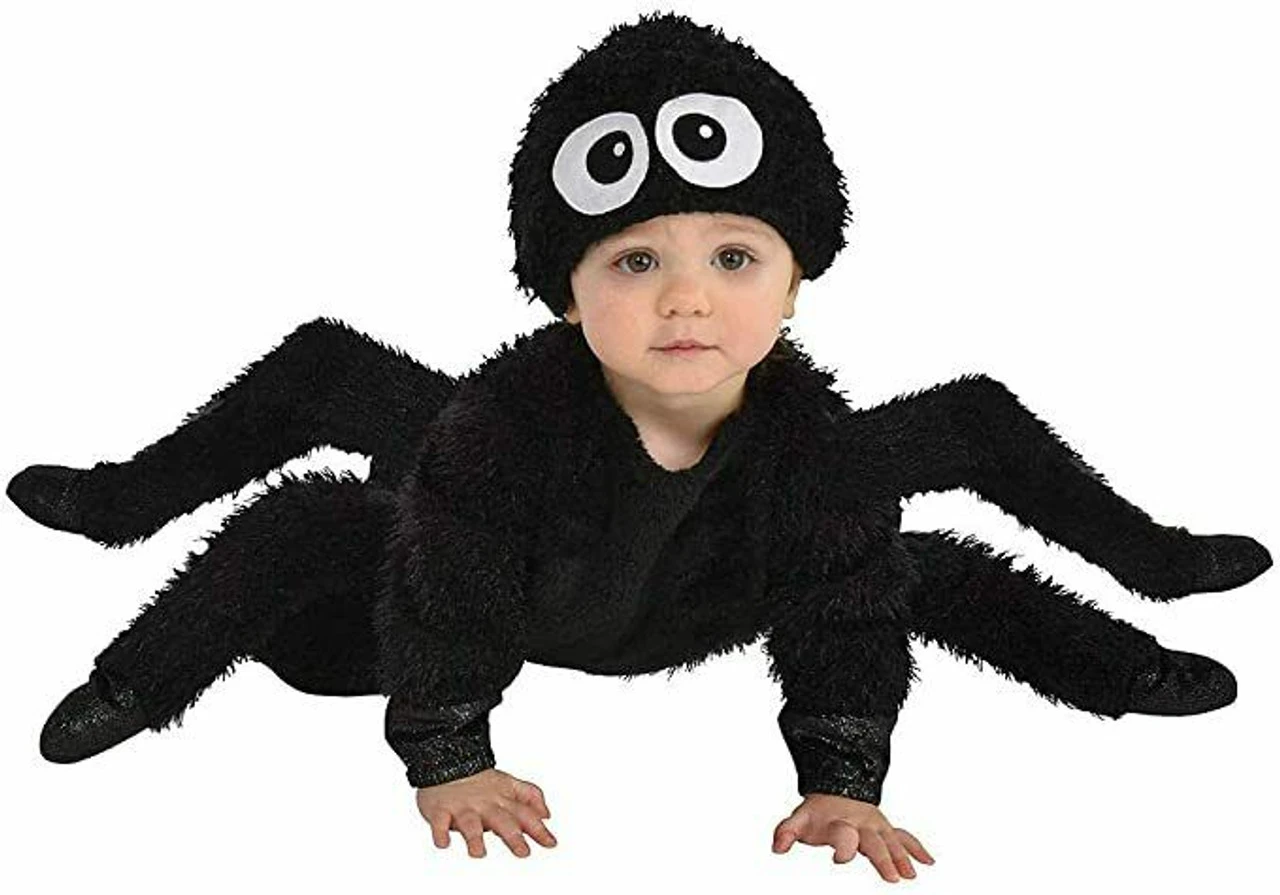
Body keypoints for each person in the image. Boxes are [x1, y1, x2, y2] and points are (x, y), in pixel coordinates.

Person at [8, 12, 1269, 880]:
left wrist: (842, 775)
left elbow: (842, 610)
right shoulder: (490, 427)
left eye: (733, 258)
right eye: (632, 262)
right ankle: (129, 631)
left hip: (700, 590)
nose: (684, 300)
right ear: (564, 293)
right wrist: (447, 753)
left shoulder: (819, 451)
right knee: (320, 451)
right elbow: (445, 585)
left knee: (923, 525)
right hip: (506, 583)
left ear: (795, 284)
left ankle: (1136, 624)